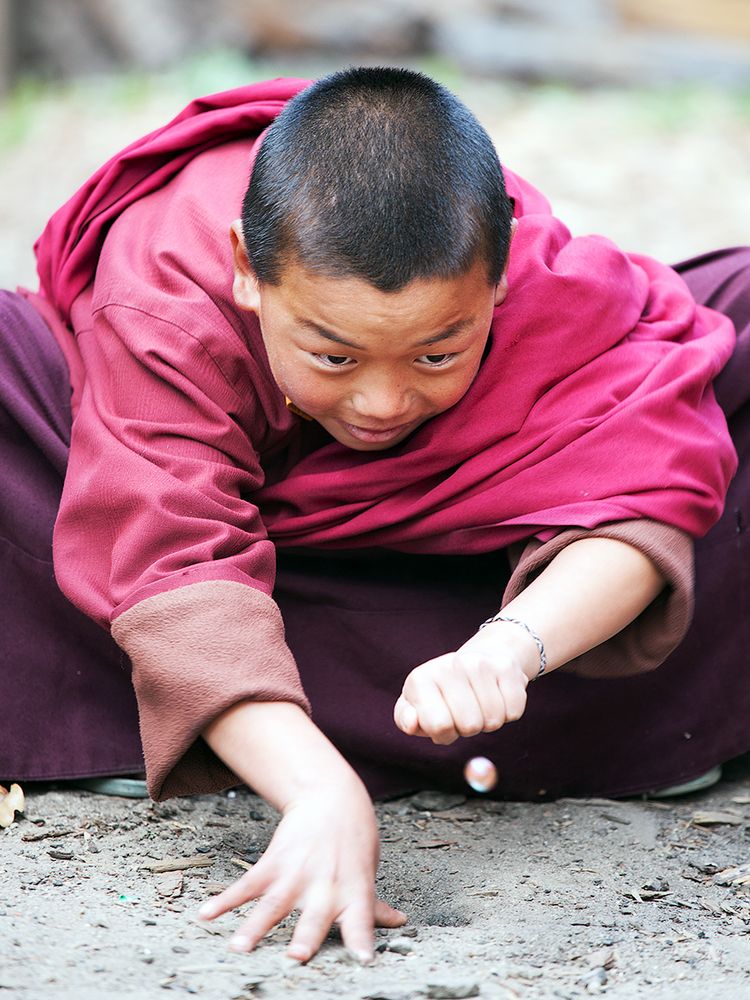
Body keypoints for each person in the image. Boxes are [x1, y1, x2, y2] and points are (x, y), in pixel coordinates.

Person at [1, 67, 748, 963]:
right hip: (148, 542)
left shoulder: (535, 273)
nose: (383, 403)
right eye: (334, 354)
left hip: (464, 577)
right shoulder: (165, 287)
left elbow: (644, 480)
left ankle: (249, 714)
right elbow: (165, 553)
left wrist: (511, 648)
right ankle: (260, 721)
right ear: (247, 269)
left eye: (438, 353)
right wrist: (318, 791)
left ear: (500, 275)